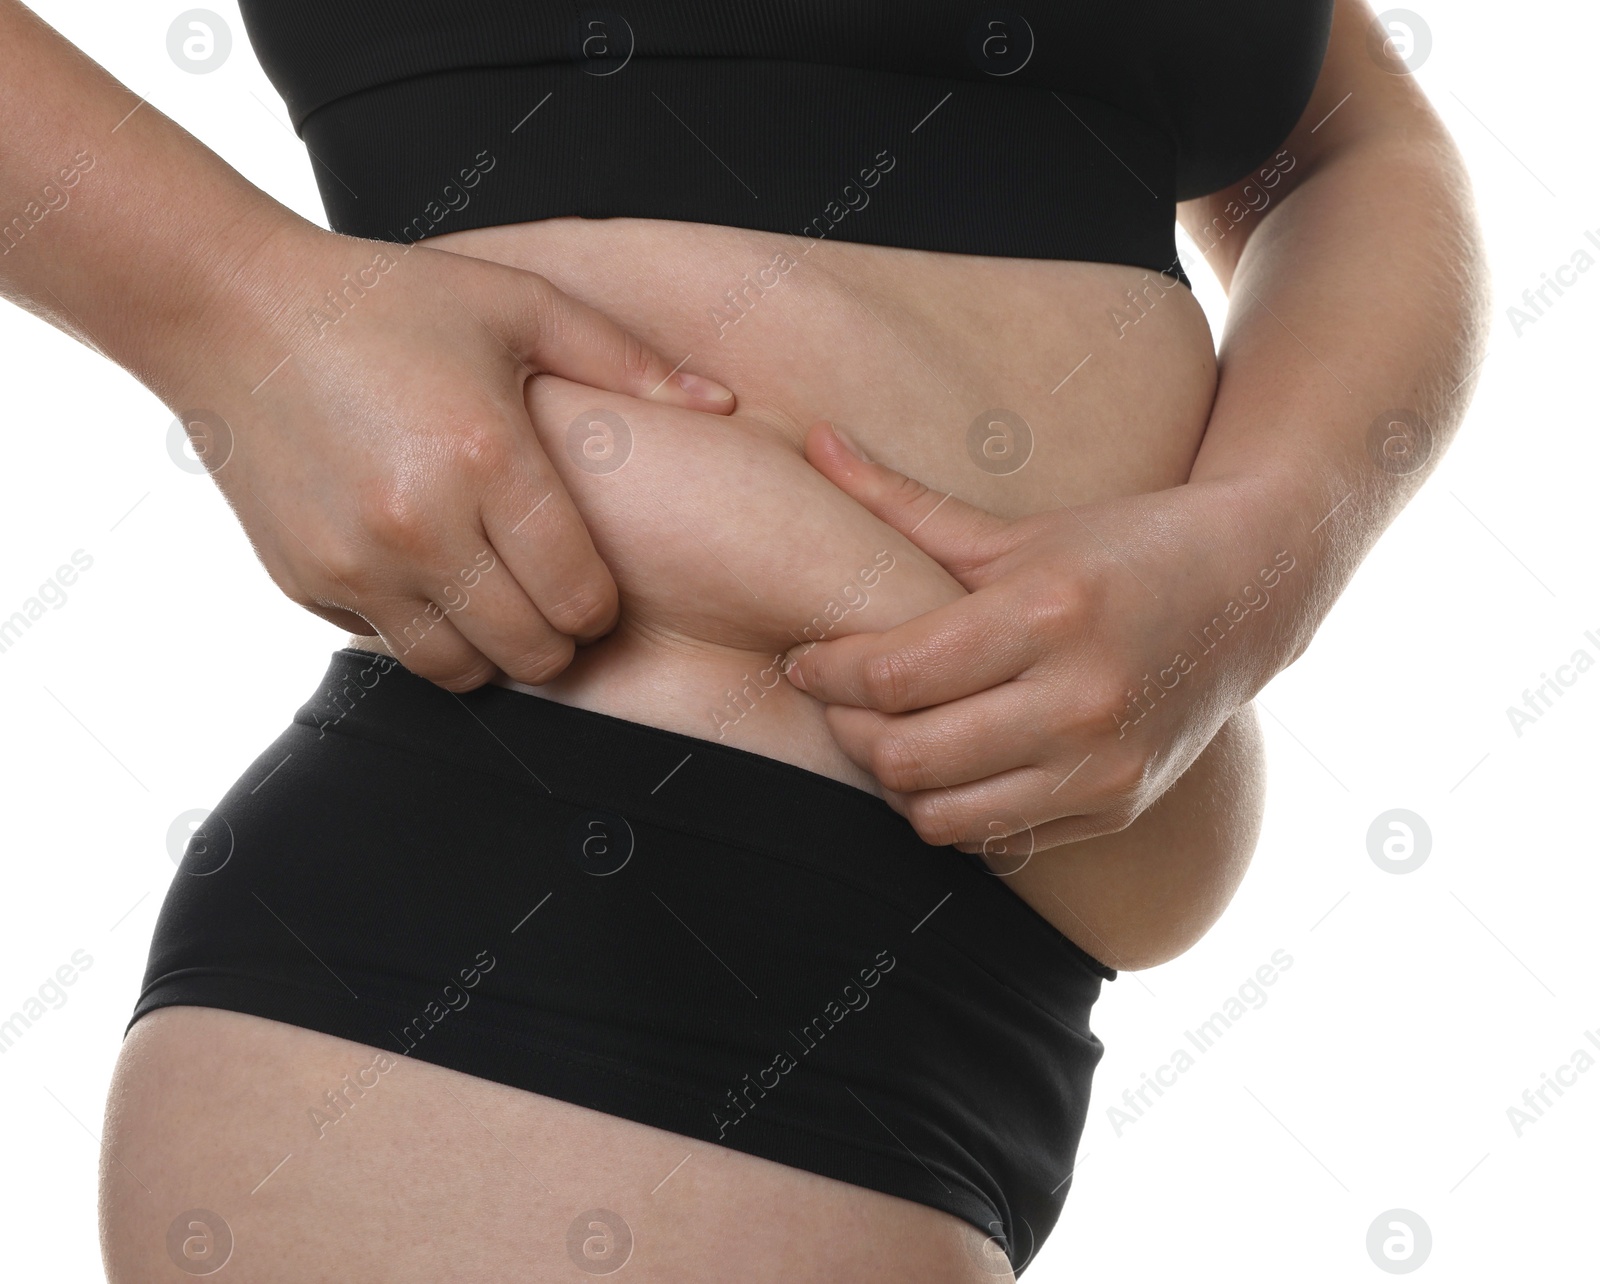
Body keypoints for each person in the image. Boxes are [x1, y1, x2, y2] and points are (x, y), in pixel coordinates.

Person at [0, 0, 1487, 1278]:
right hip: (535, 962)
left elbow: (1347, 145)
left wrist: (1262, 548)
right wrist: (233, 304)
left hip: (989, 1023)